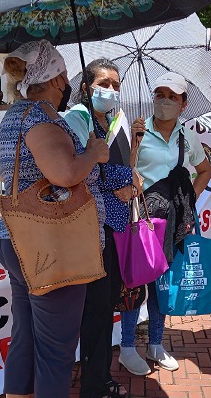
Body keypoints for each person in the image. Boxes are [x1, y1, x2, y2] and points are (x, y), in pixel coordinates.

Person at [0, 40, 110, 398]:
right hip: (52, 245)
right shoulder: (43, 117)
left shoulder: (14, 114)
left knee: (25, 338)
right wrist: (91, 154)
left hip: (16, 236)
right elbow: (64, 172)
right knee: (55, 352)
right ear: (57, 78)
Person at [118, 72, 211, 376]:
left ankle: (156, 344)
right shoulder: (138, 129)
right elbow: (125, 171)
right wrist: (134, 142)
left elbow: (204, 170)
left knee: (162, 285)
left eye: (173, 96)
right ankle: (127, 348)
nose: (165, 101)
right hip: (141, 219)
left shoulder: (188, 136)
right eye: (160, 94)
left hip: (171, 223)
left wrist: (188, 203)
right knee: (134, 282)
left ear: (184, 104)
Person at [64, 58, 135, 398]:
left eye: (115, 85)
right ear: (85, 86)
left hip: (113, 227)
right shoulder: (77, 120)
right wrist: (115, 185)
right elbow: (75, 174)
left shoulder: (112, 122)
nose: (109, 90)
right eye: (103, 83)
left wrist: (131, 182)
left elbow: (119, 168)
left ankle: (98, 373)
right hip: (90, 228)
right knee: (95, 308)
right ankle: (95, 382)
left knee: (105, 305)